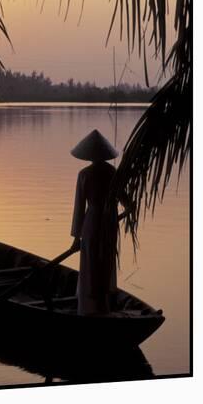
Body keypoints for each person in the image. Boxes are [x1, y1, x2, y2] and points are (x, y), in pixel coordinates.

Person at [68, 129, 123, 316]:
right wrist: (117, 217)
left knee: (90, 262)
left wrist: (76, 238)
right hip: (109, 223)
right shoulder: (113, 173)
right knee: (105, 259)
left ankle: (89, 308)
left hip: (91, 223)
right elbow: (129, 204)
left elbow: (79, 209)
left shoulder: (84, 174)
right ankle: (103, 305)